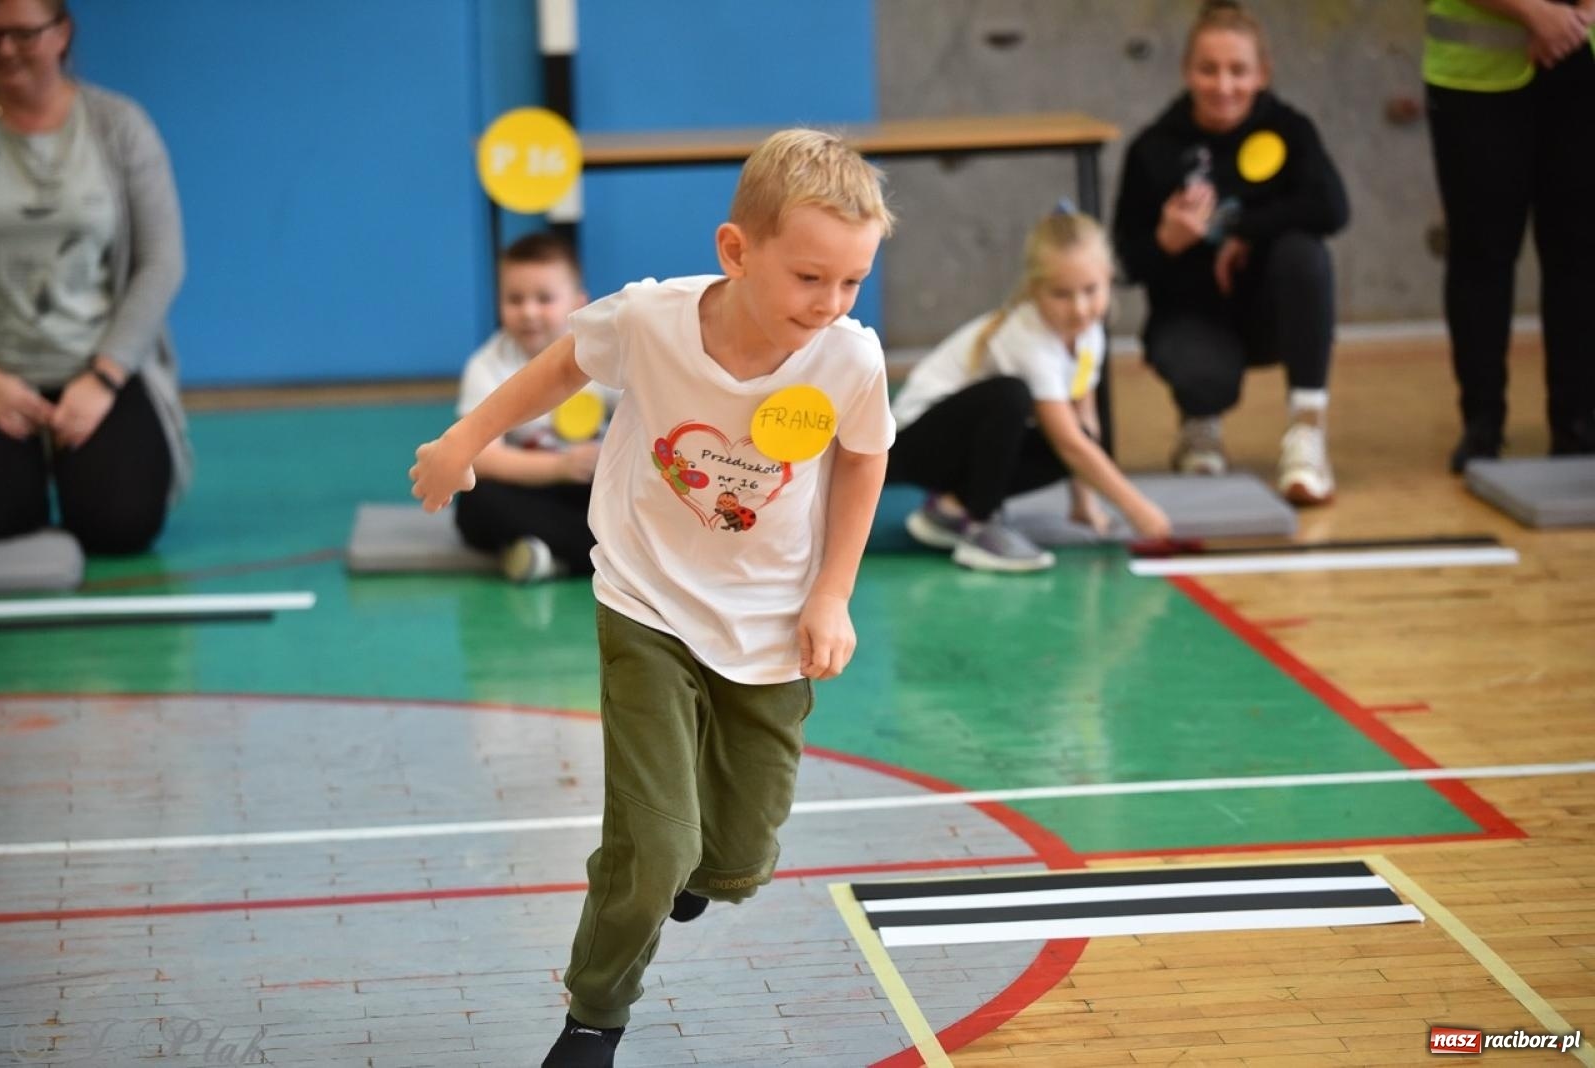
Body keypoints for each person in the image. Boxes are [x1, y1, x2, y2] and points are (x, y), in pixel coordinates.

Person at [410, 129, 894, 1068]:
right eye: (809, 280)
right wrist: (463, 440)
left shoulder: (849, 358)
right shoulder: (652, 320)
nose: (830, 305)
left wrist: (832, 595)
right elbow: (559, 366)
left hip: (766, 620)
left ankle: (685, 868)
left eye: (851, 284)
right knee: (654, 848)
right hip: (648, 600)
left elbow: (866, 457)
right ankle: (595, 1016)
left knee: (741, 858)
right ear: (735, 250)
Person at [1112, 0, 1349, 505]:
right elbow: (1123, 262)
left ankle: (1307, 432)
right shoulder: (1153, 149)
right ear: (1186, 72)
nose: (1223, 86)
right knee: (1203, 378)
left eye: (1238, 70)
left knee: (1305, 253)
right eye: (1208, 69)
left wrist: (1243, 230)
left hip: (1270, 315)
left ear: (1261, 73)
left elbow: (1332, 208)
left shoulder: (1289, 130)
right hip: (1191, 318)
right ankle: (1199, 426)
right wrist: (1165, 241)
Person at [0, 0, 191, 554]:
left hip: (99, 368)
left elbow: (162, 260)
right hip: (1, 374)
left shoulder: (119, 125)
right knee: (5, 518)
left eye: (22, 34)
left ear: (62, 34)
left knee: (121, 524)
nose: (5, 50)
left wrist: (104, 378)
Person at [887, 205, 1172, 572]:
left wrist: (1085, 504)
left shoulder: (1088, 335)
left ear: (1108, 277)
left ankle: (950, 511)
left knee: (1078, 437)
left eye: (1090, 290)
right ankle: (980, 527)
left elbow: (1082, 424)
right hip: (913, 443)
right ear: (1035, 289)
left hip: (958, 453)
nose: (1080, 308)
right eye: (1061, 294)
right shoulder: (1027, 336)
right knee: (1011, 395)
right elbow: (1068, 442)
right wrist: (1137, 509)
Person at [1424, 0, 1595, 471]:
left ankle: (1578, 427)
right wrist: (1536, 13)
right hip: (1477, 77)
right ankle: (1482, 425)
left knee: (1580, 256)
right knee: (1481, 255)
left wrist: (1580, 18)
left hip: (1586, 64)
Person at [452, 232, 619, 581]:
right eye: (515, 299)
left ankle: (550, 555)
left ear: (578, 302)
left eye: (544, 298)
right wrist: (559, 467)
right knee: (475, 502)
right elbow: (480, 455)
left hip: (596, 490)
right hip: (534, 487)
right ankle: (596, 555)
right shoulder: (487, 365)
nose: (528, 311)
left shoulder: (602, 355)